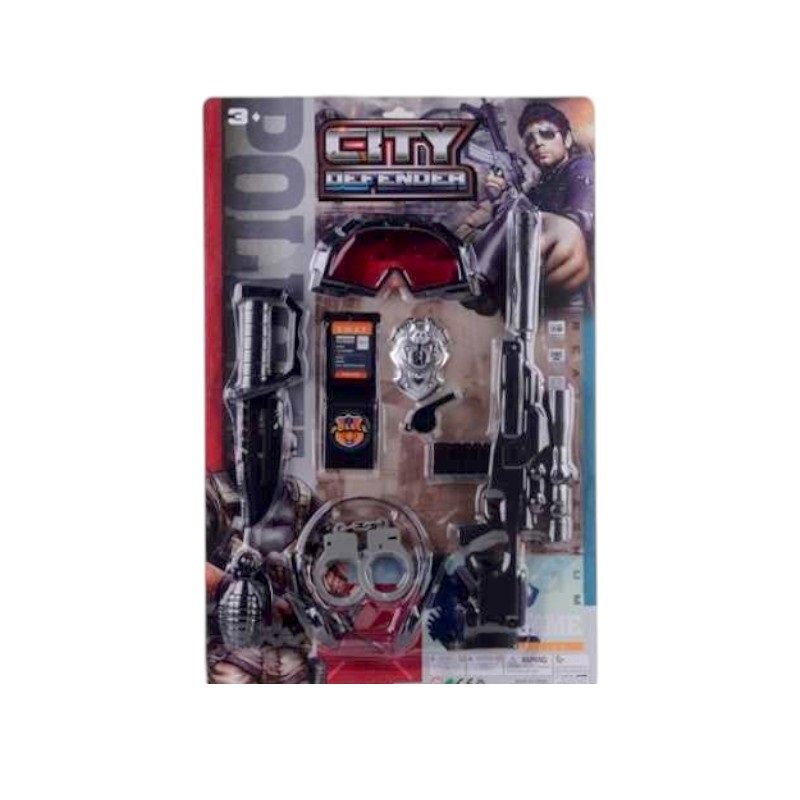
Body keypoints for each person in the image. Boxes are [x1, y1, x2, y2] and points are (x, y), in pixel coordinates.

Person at [458, 101, 594, 311]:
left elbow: (582, 215)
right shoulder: (538, 186)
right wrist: (498, 198)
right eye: (530, 139)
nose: (538, 142)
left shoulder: (581, 166)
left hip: (567, 293)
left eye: (547, 134)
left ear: (567, 139)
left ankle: (479, 277)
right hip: (532, 290)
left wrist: (569, 228)